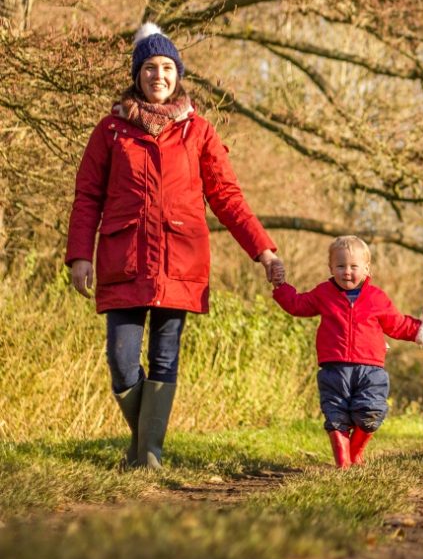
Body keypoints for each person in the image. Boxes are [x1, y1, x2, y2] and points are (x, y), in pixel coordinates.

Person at [66, 24, 282, 469]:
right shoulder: (110, 130)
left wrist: (263, 249)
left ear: (178, 75)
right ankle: (144, 445)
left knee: (165, 357)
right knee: (122, 363)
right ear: (137, 74)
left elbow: (227, 198)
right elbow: (87, 195)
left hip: (180, 258)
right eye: (150, 68)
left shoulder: (199, 131)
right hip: (123, 257)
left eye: (167, 68)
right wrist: (80, 256)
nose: (158, 76)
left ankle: (147, 456)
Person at [272, 235, 423, 468]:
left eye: (353, 266)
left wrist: (421, 330)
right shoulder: (323, 293)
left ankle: (354, 453)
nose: (347, 271)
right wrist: (281, 287)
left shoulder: (377, 297)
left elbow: (397, 324)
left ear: (367, 269)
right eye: (340, 266)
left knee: (371, 412)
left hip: (371, 369)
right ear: (330, 268)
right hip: (334, 369)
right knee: (336, 415)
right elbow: (297, 305)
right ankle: (344, 465)